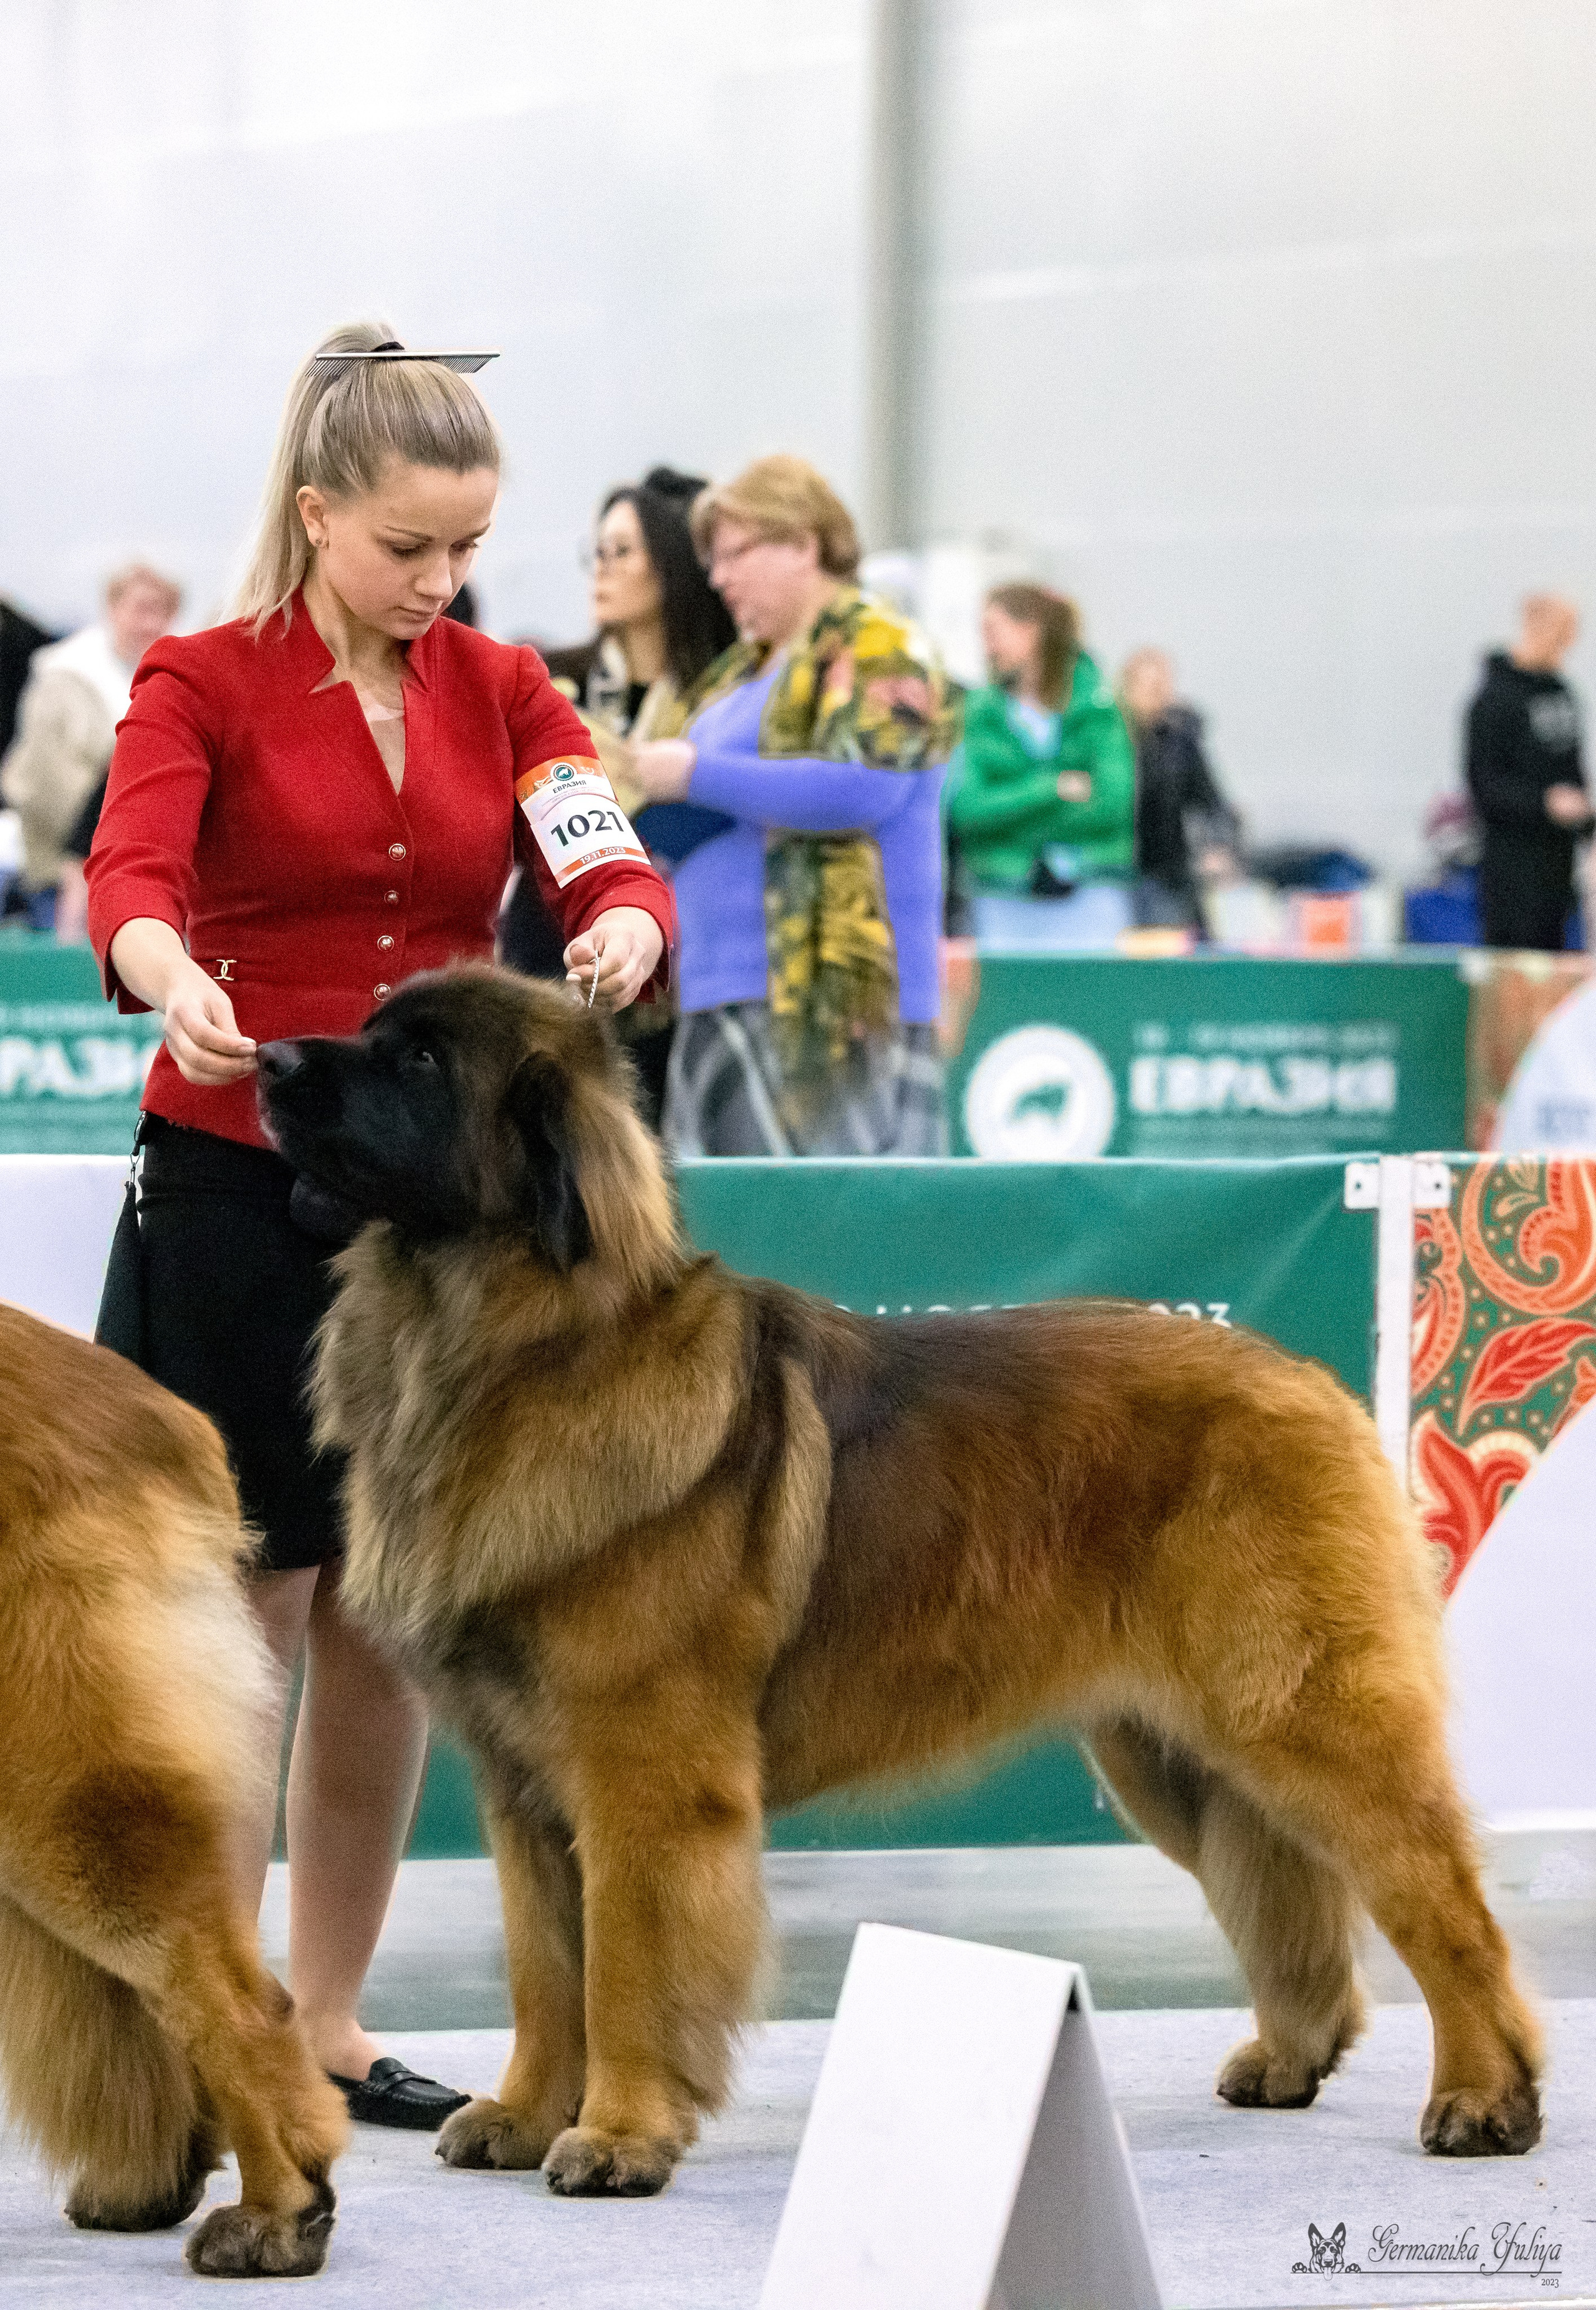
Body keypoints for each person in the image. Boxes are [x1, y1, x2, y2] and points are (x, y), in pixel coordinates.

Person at [84, 322, 674, 2129]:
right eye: (410, 548)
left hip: (426, 1234)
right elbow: (131, 878)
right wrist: (166, 970)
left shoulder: (510, 688)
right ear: (319, 512)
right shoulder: (197, 679)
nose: (443, 582)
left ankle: (331, 2015)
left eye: (469, 549)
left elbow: (601, 847)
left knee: (388, 1622)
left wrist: (628, 922)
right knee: (241, 1614)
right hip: (235, 1181)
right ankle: (225, 2024)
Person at [625, 454, 955, 1158]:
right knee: (733, 1250)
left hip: (830, 1011)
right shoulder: (740, 673)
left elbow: (867, 785)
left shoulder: (881, 647)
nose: (718, 579)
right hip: (724, 998)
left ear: (804, 542)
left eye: (735, 554)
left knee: (822, 1253)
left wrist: (693, 775)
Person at [500, 468, 735, 1126]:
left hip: (676, 956)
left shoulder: (723, 698)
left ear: (672, 567)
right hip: (548, 936)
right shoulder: (550, 681)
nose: (600, 569)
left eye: (621, 552)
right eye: (596, 551)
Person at [943, 584, 1135, 948]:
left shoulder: (1101, 710)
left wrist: (1010, 816)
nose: (988, 646)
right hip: (1002, 902)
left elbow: (1112, 807)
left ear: (1031, 631)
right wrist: (1054, 788)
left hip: (1092, 900)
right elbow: (967, 810)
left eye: (992, 632)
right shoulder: (977, 713)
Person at [1, 565, 181, 930]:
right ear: (113, 609)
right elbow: (41, 781)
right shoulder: (63, 677)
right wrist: (102, 842)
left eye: (162, 610)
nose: (151, 622)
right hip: (63, 868)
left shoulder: (178, 677)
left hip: (148, 871)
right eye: (141, 609)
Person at [1466, 594, 1593, 950]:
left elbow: (1573, 770)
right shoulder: (1493, 700)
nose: (1566, 645)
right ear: (1535, 628)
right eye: (1560, 634)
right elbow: (1483, 785)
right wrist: (1544, 803)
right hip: (1512, 872)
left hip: (1558, 868)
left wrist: (1586, 821)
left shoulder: (1563, 694)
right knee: (1515, 970)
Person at [1118, 645, 1241, 928]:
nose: (1159, 696)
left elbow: (1212, 802)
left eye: (1164, 686)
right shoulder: (1112, 740)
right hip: (1121, 871)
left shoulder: (1179, 743)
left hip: (1165, 875)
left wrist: (1218, 847)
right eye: (1151, 687)